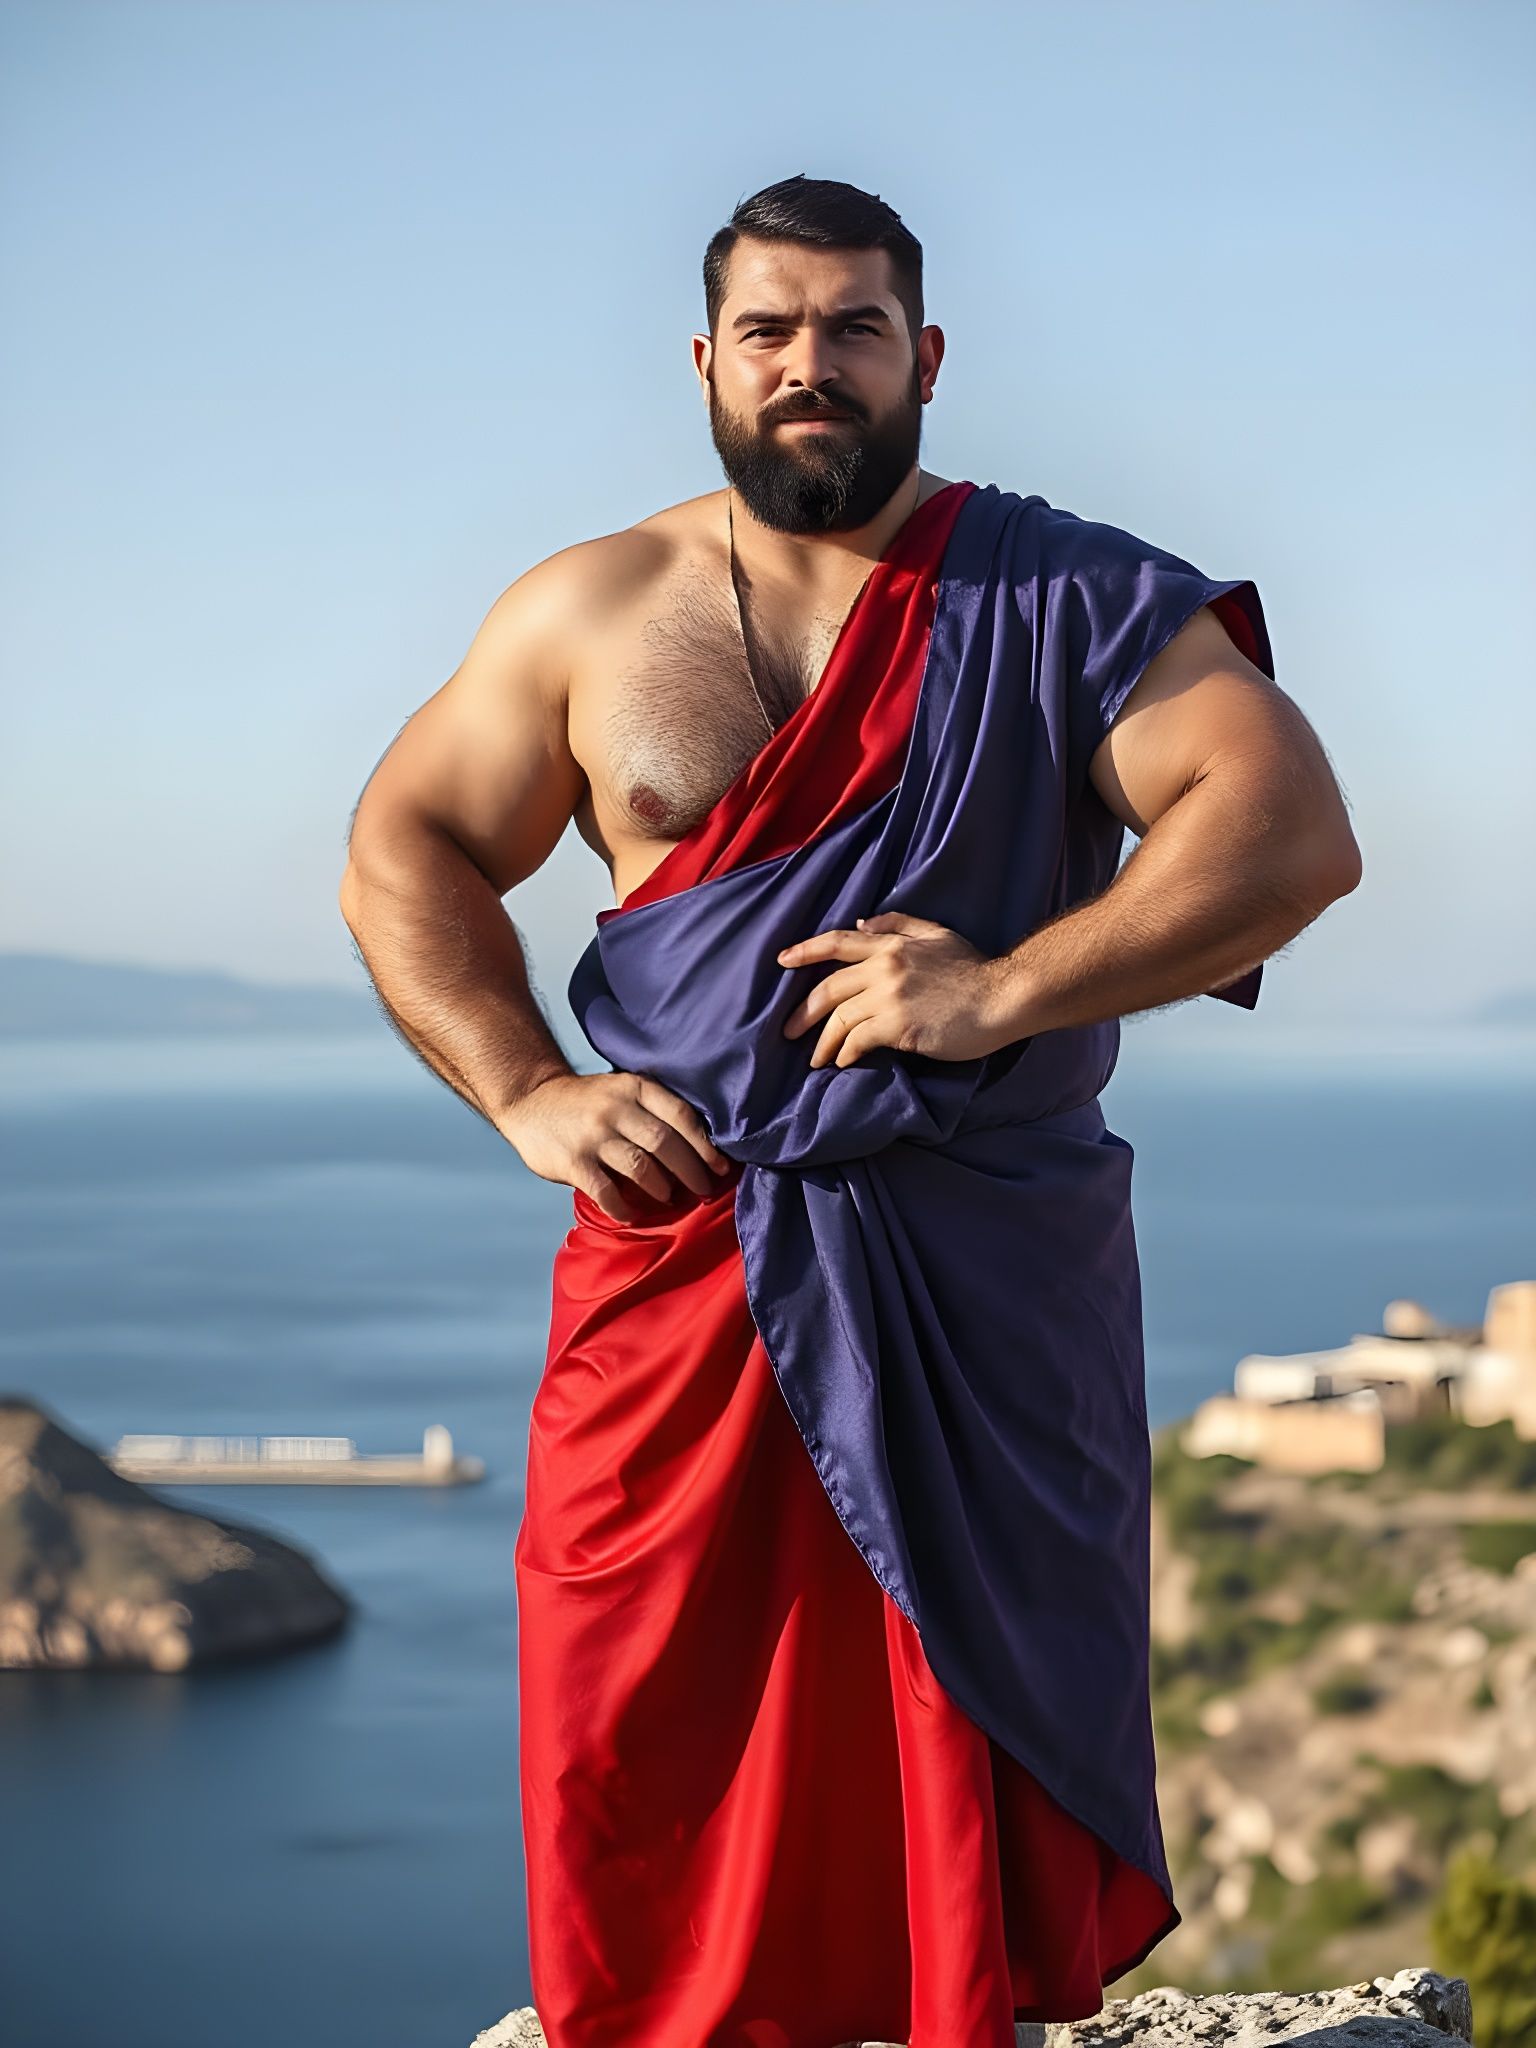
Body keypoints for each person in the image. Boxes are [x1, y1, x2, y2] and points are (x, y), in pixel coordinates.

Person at [339, 174, 1361, 2048]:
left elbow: (1287, 826)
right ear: (710, 359)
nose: (815, 367)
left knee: (951, 1757)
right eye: (774, 330)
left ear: (927, 356)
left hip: (978, 1270)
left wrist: (1003, 988)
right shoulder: (592, 607)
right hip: (682, 1275)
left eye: (858, 328)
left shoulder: (1061, 598)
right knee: (633, 1727)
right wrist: (529, 1092)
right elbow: (403, 844)